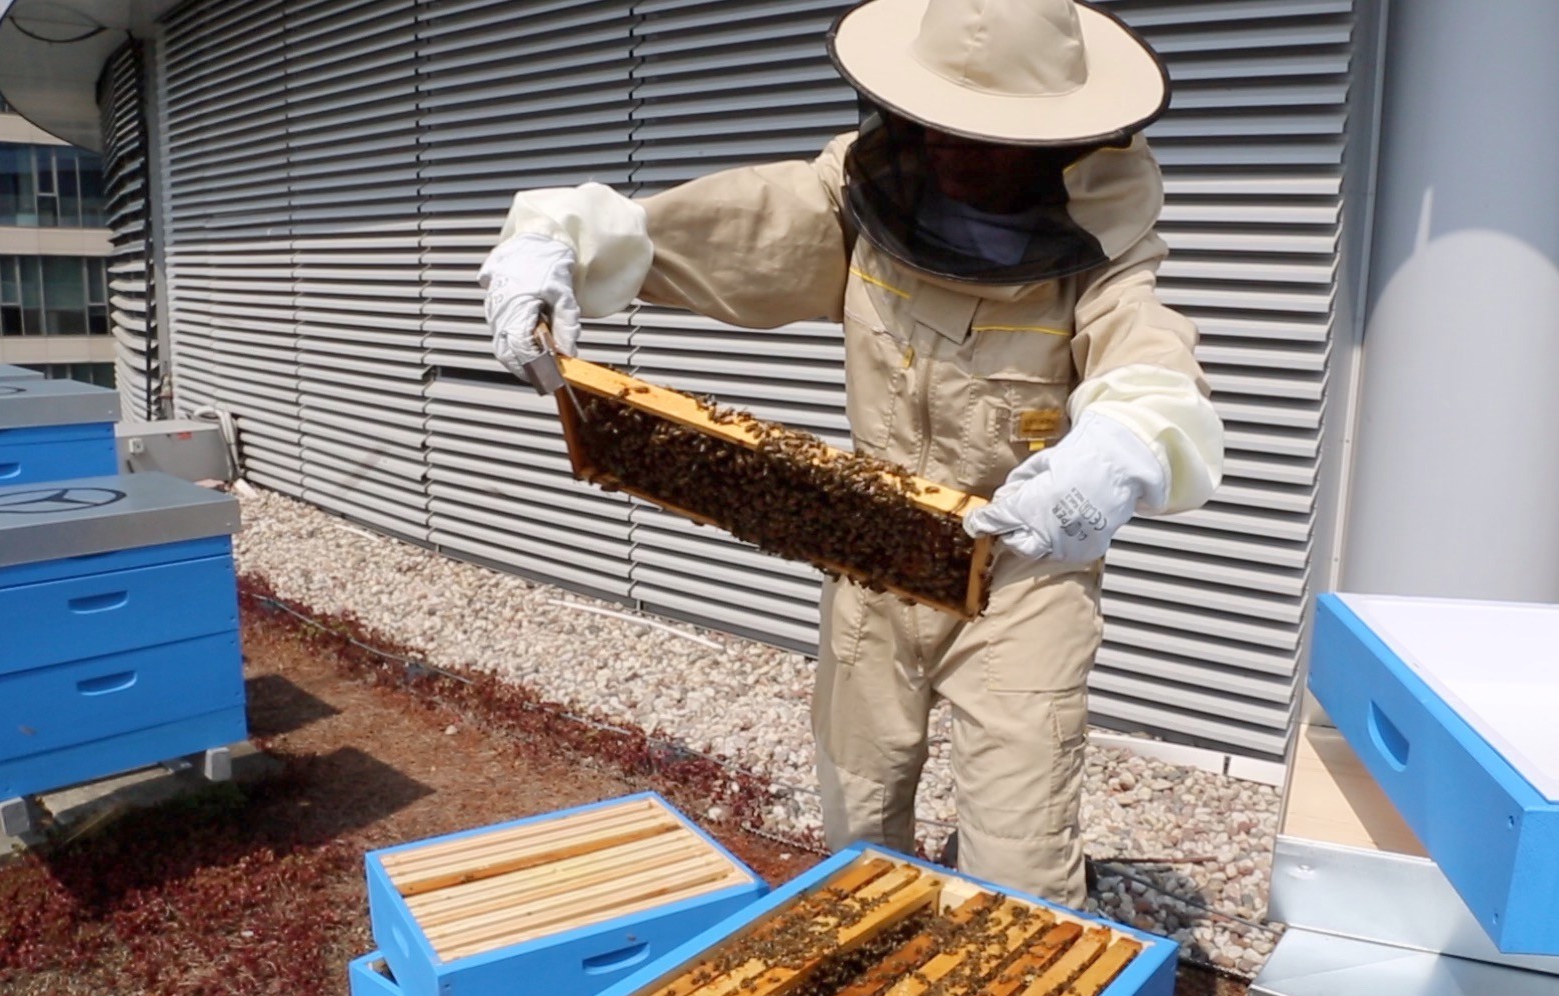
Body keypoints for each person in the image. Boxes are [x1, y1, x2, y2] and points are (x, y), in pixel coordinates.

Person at [479, 0, 1224, 907]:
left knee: (1021, 858)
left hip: (1022, 571)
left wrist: (1118, 446)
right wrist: (560, 243)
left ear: (1056, 146)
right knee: (861, 816)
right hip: (874, 546)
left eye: (987, 139)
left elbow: (1149, 362)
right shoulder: (860, 197)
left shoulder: (1102, 251)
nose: (953, 153)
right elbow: (727, 226)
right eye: (937, 128)